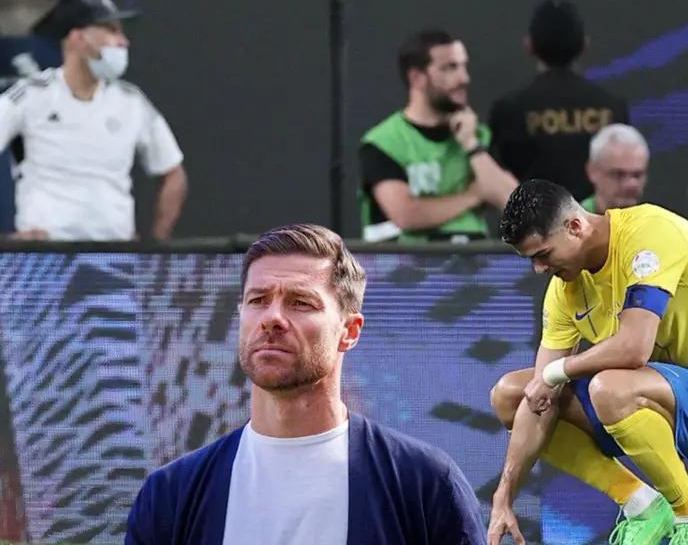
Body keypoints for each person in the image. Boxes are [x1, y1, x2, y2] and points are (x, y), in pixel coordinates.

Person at [125, 224, 485, 544]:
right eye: (258, 300)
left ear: (350, 331)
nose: (272, 318)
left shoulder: (424, 485)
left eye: (300, 303)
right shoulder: (170, 495)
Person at [487, 180, 688, 545]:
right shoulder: (565, 290)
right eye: (531, 260)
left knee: (609, 387)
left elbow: (634, 348)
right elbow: (540, 397)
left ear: (575, 226)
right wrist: (504, 496)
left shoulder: (650, 233)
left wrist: (557, 372)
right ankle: (641, 504)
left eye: (544, 254)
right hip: (649, 400)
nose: (539, 269)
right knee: (510, 395)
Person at [0, 0, 187, 241]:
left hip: (113, 258)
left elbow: (173, 173)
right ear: (78, 38)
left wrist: (156, 246)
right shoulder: (31, 94)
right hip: (44, 256)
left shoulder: (132, 102)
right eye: (111, 30)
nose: (123, 42)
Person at [359, 29, 516, 243]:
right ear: (417, 78)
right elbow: (406, 214)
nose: (464, 78)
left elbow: (514, 203)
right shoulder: (384, 142)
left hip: (473, 271)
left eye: (463, 66)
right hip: (402, 270)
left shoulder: (479, 135)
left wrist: (471, 145)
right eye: (450, 68)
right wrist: (474, 195)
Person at [488, 0, 630, 201]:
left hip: (535, 227)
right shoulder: (613, 107)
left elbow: (497, 178)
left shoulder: (509, 110)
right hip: (600, 226)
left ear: (529, 45)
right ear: (584, 45)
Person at [580, 123, 649, 213]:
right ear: (592, 171)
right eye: (619, 174)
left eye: (637, 175)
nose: (631, 184)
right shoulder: (567, 224)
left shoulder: (660, 224)